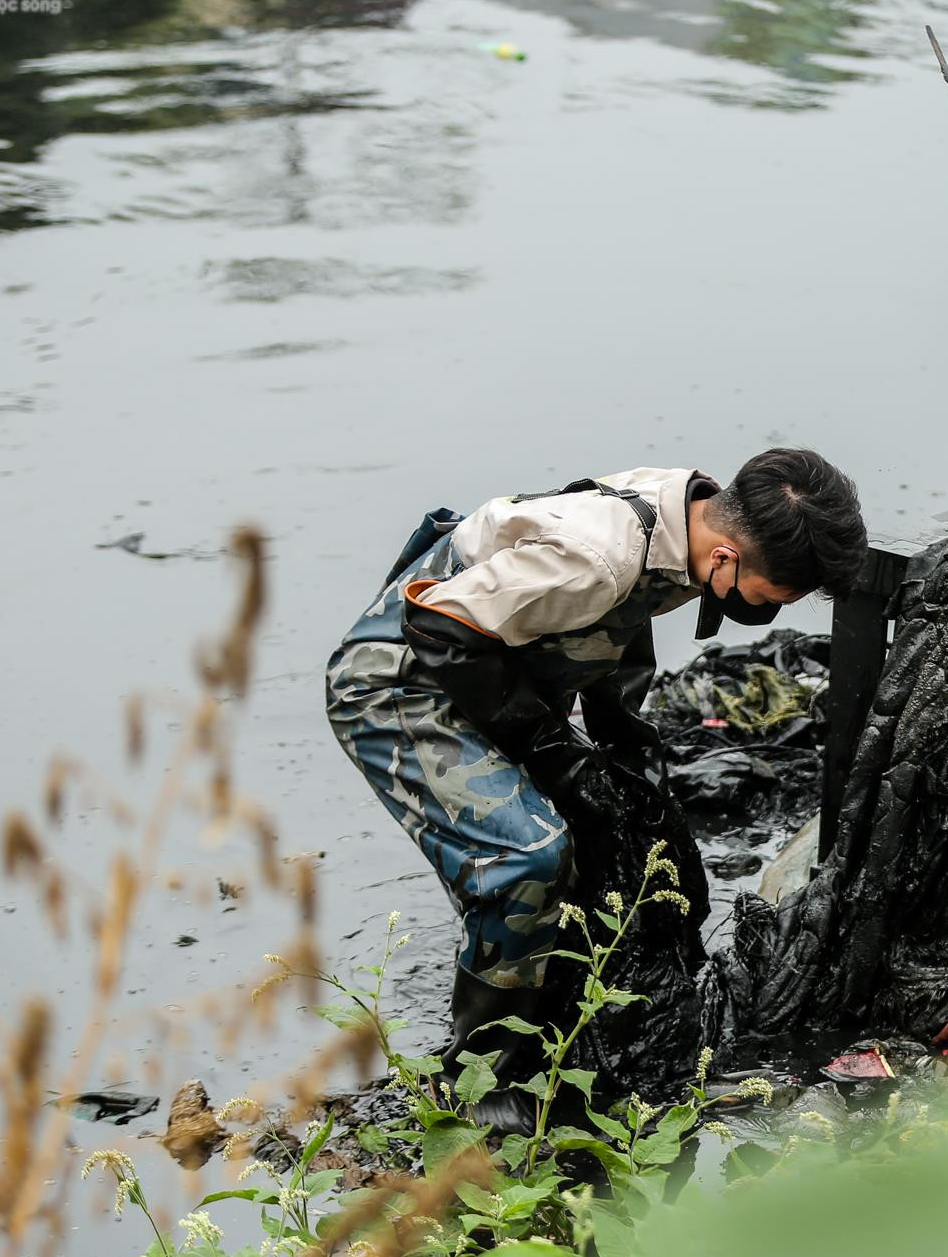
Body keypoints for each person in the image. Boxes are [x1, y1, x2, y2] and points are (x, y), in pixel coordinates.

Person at [326, 451, 868, 1129]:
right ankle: (482, 1079)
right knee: (528, 858)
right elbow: (440, 625)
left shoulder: (688, 514)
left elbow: (614, 623)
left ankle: (548, 1014)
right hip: (400, 682)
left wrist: (617, 745)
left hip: (493, 665)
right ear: (726, 560)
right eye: (771, 599)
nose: (763, 613)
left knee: (621, 827)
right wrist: (552, 752)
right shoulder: (600, 556)